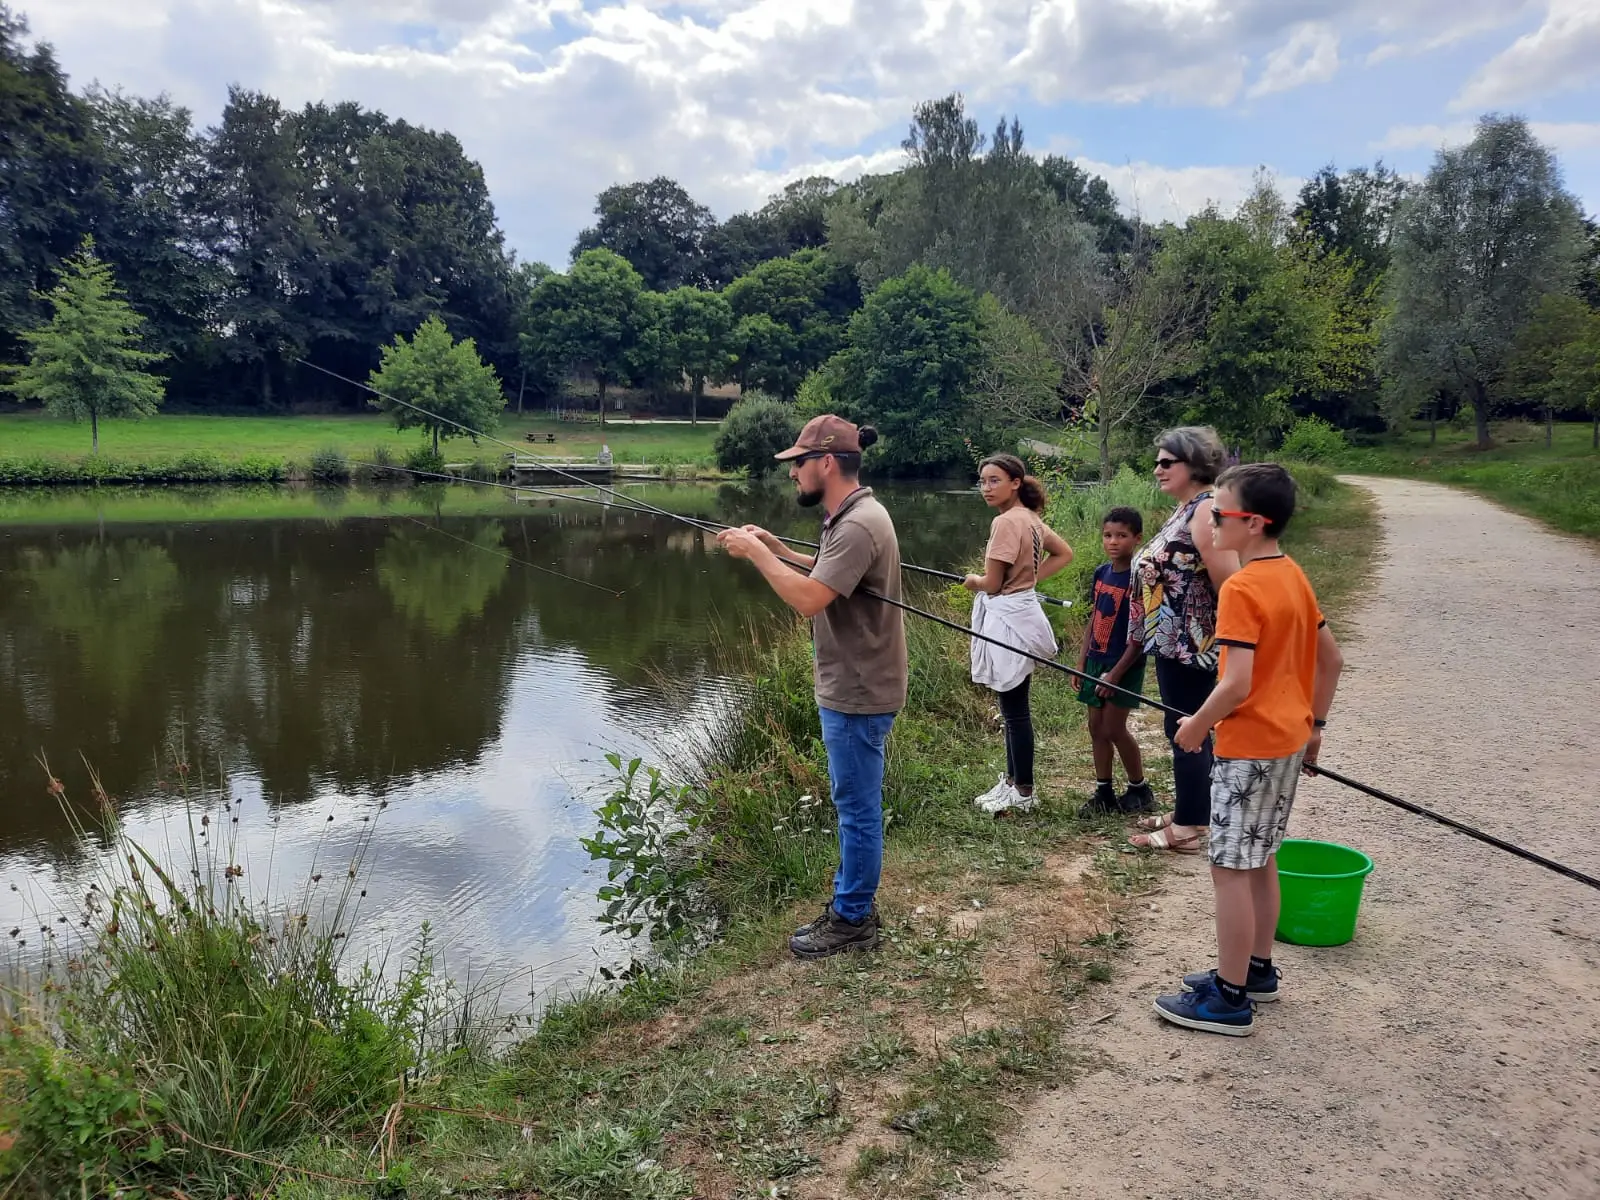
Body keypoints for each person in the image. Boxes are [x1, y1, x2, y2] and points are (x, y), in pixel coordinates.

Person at [1152, 463, 1345, 1036]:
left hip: (1249, 747)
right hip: (1286, 741)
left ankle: (1230, 1000)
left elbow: (1235, 682)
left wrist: (1194, 726)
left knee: (1230, 868)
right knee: (1260, 856)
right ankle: (1256, 970)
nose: (1208, 521)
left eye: (1219, 513)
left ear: (1253, 523)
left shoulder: (1241, 586)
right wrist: (1315, 727)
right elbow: (1330, 658)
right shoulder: (1291, 575)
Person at [716, 415, 907, 960]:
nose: (792, 474)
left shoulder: (856, 524)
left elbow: (808, 600)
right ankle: (853, 907)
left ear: (826, 463)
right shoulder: (850, 516)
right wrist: (777, 548)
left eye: (797, 463)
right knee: (856, 804)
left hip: (858, 688)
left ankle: (851, 919)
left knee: (857, 808)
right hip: (858, 682)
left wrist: (755, 556)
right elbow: (828, 575)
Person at [1126, 427, 1239, 854]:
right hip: (1170, 640)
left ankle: (1189, 828)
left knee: (1188, 728)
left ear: (1193, 465)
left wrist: (1224, 645)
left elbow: (1230, 583)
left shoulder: (1207, 510)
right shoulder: (1187, 508)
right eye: (1157, 461)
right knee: (1182, 725)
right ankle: (1193, 809)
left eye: (1166, 462)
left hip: (1193, 643)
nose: (1157, 469)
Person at [963, 454, 1074, 816]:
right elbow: (1064, 553)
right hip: (1023, 610)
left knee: (1014, 711)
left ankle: (1023, 791)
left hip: (1008, 617)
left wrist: (972, 582)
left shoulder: (1006, 523)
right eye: (982, 481)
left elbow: (991, 584)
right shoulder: (1030, 518)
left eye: (994, 480)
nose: (986, 488)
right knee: (1014, 706)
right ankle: (1013, 782)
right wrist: (1029, 581)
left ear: (1015, 482)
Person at [1074, 507, 1156, 818]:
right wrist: (1081, 663)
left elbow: (1139, 636)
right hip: (1096, 659)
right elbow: (1094, 618)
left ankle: (1139, 788)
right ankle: (1103, 791)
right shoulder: (1101, 573)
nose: (1113, 542)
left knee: (1113, 727)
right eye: (1108, 535)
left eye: (1121, 536)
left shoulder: (1139, 580)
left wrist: (1116, 673)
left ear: (1137, 538)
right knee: (1095, 727)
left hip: (1124, 664)